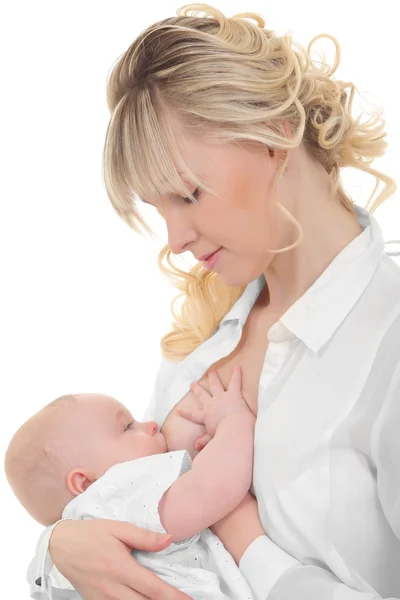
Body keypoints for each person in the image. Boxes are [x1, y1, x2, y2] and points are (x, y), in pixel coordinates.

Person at [25, 3, 400, 599]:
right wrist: (60, 547)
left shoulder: (388, 349)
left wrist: (247, 542)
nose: (175, 242)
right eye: (159, 211)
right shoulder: (199, 347)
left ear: (276, 133)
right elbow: (130, 509)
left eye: (188, 194)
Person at [5, 371, 260, 599]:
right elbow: (211, 488)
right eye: (128, 427)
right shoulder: (111, 498)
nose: (150, 425)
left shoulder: (77, 547)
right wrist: (232, 420)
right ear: (85, 482)